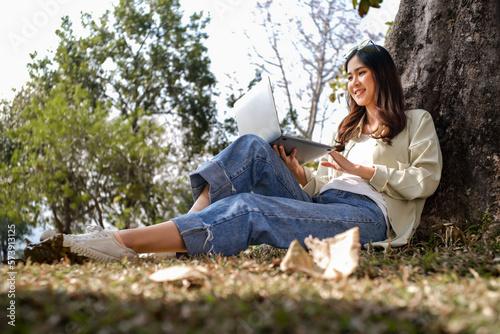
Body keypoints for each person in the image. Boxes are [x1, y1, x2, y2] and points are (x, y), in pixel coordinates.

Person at [36, 41, 442, 262]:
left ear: (381, 74)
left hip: (369, 217)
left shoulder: (415, 120)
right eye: (349, 76)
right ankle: (180, 230)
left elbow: (426, 180)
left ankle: (124, 243)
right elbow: (327, 186)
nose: (353, 83)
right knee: (252, 145)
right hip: (326, 201)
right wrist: (301, 175)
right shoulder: (350, 129)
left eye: (361, 73)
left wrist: (366, 171)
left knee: (250, 208)